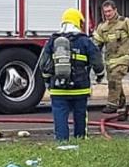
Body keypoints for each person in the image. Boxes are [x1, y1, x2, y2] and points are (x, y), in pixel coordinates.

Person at [36, 8, 104, 140]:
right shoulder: (85, 41)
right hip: (80, 87)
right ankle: (80, 139)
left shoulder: (53, 40)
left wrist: (47, 81)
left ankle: (62, 142)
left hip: (58, 88)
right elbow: (97, 61)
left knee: (60, 116)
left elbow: (43, 63)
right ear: (78, 22)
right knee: (80, 115)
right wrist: (99, 75)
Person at [93, 0, 129, 121]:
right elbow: (96, 44)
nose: (107, 14)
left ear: (115, 10)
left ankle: (112, 104)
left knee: (114, 79)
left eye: (109, 11)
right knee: (116, 84)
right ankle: (122, 110)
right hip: (110, 62)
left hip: (124, 58)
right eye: (105, 12)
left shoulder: (125, 22)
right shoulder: (102, 27)